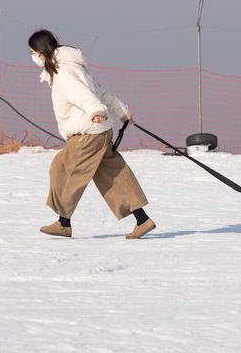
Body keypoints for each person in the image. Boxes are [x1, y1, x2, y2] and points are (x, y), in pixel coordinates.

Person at [29, 29, 156, 239]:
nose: (33, 57)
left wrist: (96, 110)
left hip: (87, 133)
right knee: (112, 174)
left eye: (33, 52)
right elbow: (101, 91)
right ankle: (142, 220)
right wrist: (122, 112)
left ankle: (64, 223)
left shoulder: (63, 74)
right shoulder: (73, 67)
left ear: (42, 51)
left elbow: (85, 96)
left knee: (62, 169)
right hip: (101, 131)